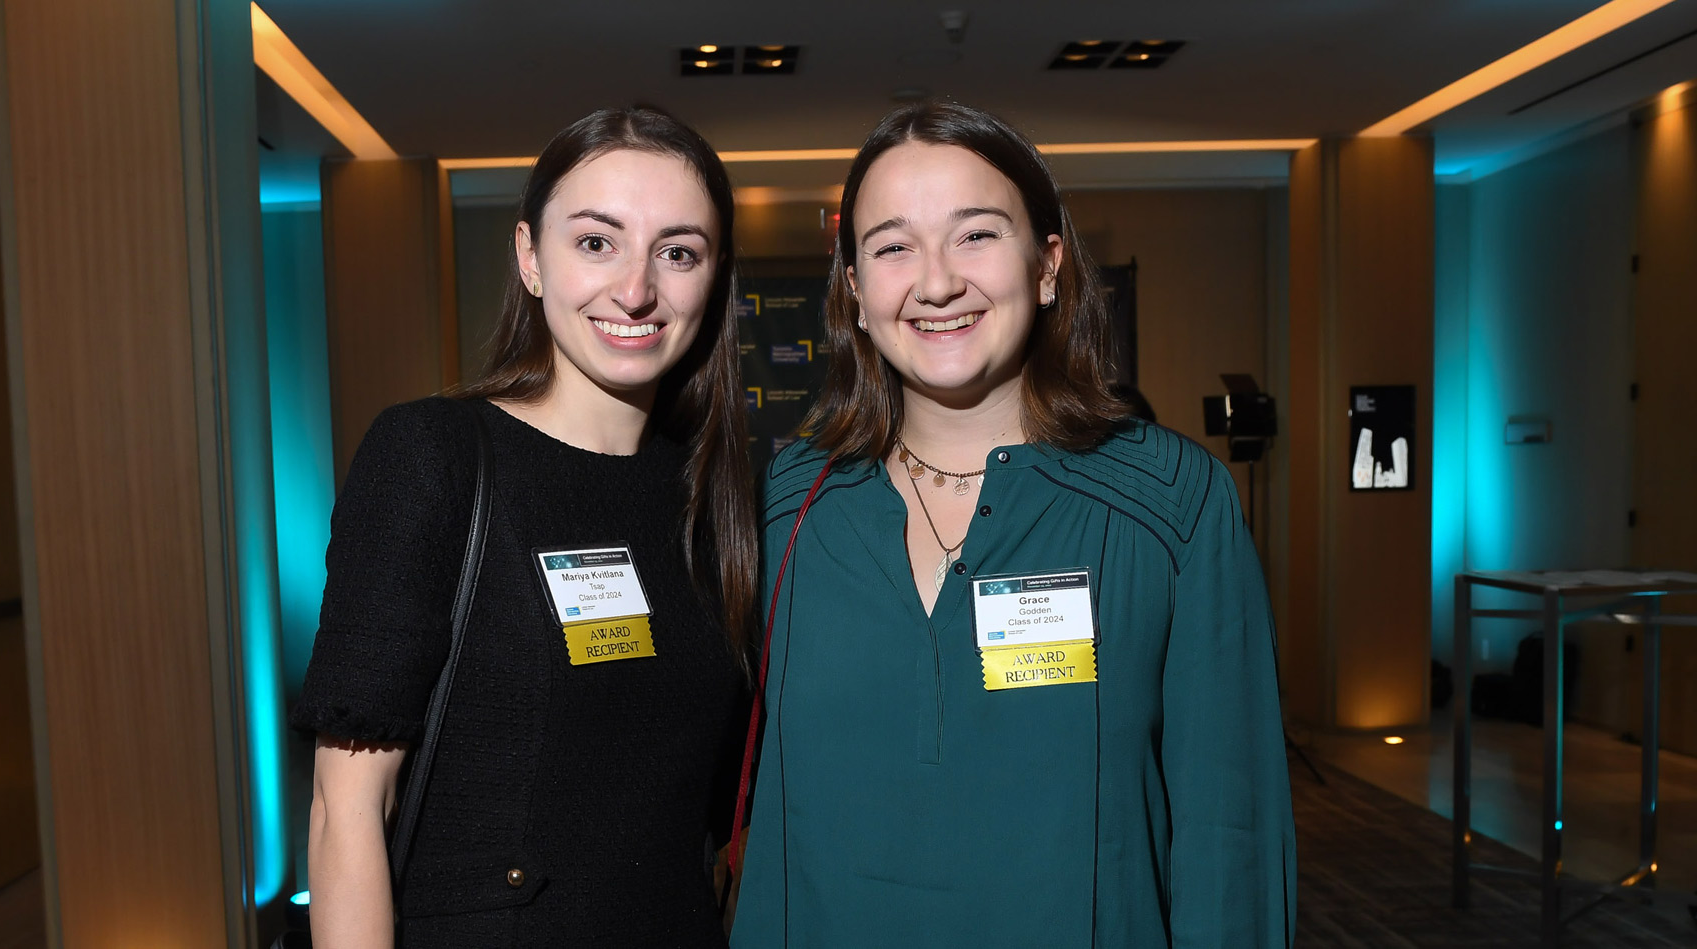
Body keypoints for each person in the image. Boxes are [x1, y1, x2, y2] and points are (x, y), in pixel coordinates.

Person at [731, 101, 1295, 947]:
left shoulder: (1175, 503)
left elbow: (1230, 836)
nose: (936, 283)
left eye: (976, 235)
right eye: (892, 247)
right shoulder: (788, 502)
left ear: (1047, 265)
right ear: (854, 291)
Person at [293, 106, 754, 948]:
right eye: (596, 242)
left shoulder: (714, 496)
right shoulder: (432, 456)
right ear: (530, 258)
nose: (636, 289)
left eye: (678, 252)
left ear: (714, 277)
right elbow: (344, 810)